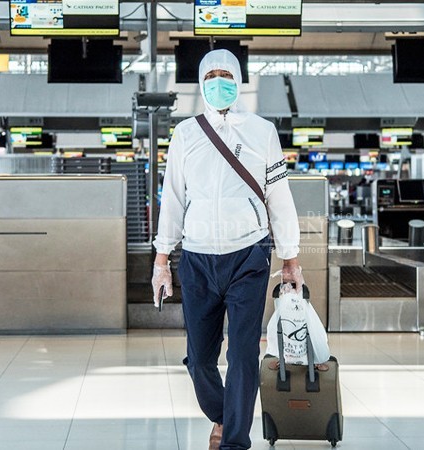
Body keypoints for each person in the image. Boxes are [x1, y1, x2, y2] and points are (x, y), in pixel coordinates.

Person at [150, 49, 303, 450]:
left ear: (238, 80)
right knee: (199, 358)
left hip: (248, 256)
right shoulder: (186, 133)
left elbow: (279, 196)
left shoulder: (262, 131)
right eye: (212, 75)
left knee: (242, 355)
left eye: (226, 75)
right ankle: (225, 414)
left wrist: (290, 257)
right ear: (201, 82)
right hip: (198, 258)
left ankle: (234, 440)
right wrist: (162, 259)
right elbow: (174, 199)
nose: (219, 82)